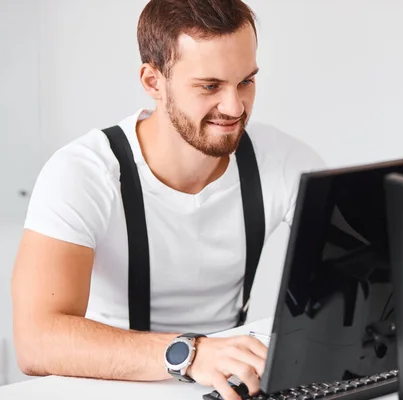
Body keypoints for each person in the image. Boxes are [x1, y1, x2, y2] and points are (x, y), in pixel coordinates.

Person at [10, 1, 325, 399]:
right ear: (153, 81)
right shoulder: (83, 172)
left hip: (227, 385)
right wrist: (191, 354)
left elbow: (366, 272)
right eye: (210, 86)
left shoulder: (280, 159)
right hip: (107, 385)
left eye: (246, 81)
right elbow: (37, 340)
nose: (234, 107)